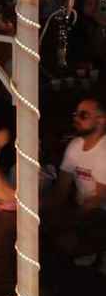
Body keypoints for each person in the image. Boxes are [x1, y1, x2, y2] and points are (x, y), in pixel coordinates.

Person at [47, 97, 106, 265]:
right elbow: (61, 189)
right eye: (75, 114)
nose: (76, 118)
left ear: (100, 121)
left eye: (83, 115)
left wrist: (68, 219)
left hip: (99, 213)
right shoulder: (75, 145)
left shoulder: (104, 150)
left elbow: (99, 199)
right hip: (83, 210)